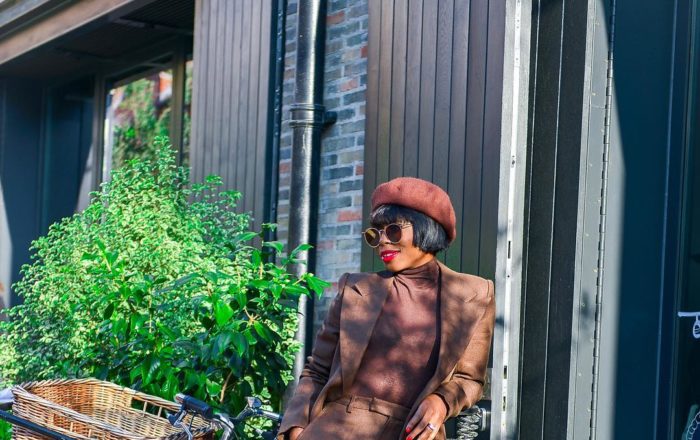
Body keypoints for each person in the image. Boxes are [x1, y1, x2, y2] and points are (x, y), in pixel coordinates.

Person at [278, 177, 495, 440]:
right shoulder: (355, 288)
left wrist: (441, 402)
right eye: (375, 234)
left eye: (393, 231)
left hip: (413, 431)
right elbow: (317, 370)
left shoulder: (474, 294)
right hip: (336, 429)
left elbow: (470, 379)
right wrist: (296, 428)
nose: (382, 241)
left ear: (427, 228)